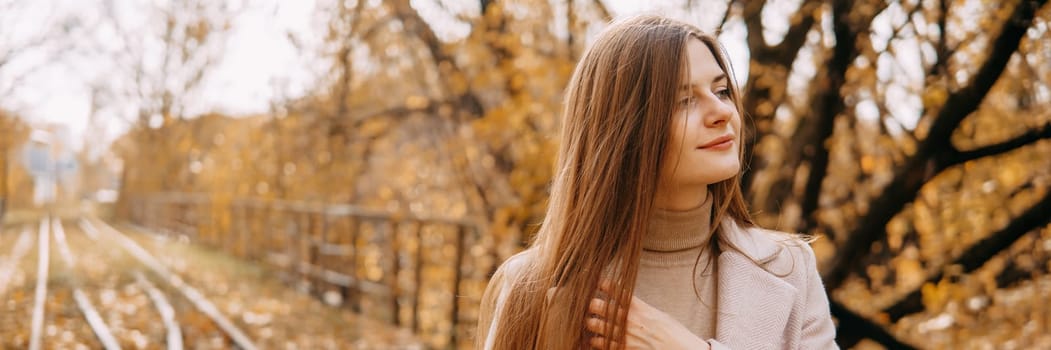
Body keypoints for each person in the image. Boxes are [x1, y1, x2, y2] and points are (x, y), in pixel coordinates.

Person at [474, 14, 838, 350]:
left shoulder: (789, 267)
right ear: (624, 129)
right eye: (684, 101)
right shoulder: (533, 285)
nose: (723, 112)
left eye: (722, 90)